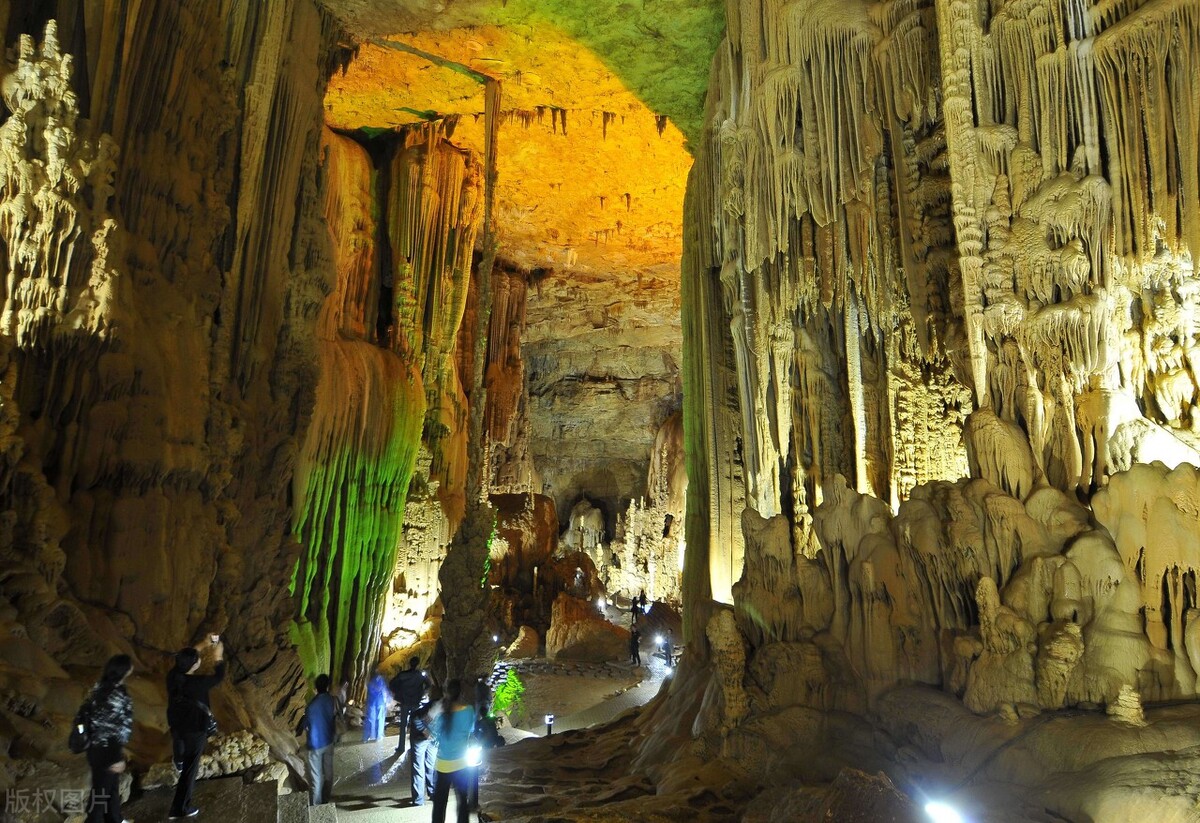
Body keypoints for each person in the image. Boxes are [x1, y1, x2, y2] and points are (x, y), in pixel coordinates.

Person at [167, 637, 225, 819]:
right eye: (197, 659)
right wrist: (218, 656)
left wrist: (204, 643)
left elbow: (187, 657)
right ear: (194, 665)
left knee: (183, 757)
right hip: (195, 730)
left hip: (178, 727)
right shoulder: (197, 684)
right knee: (190, 771)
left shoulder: (173, 676)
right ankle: (179, 809)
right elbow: (219, 676)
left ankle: (178, 759)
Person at [82, 655, 134, 823]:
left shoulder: (100, 688)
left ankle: (114, 818)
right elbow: (109, 729)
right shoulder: (113, 695)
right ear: (124, 670)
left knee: (110, 786)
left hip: (96, 748)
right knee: (99, 793)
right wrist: (116, 757)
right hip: (106, 750)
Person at [431, 679, 476, 823]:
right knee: (463, 801)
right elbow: (471, 729)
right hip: (461, 764)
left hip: (443, 764)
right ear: (460, 693)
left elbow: (434, 735)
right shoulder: (469, 711)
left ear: (446, 692)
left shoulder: (442, 714)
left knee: (439, 804)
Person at [296, 674, 338, 806]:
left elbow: (305, 725)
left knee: (316, 778)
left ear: (315, 687)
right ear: (327, 686)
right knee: (329, 773)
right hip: (329, 741)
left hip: (315, 745)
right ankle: (326, 799)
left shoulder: (310, 706)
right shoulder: (331, 700)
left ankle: (316, 806)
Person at [389, 656, 427, 754]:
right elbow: (429, 684)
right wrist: (421, 694)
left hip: (405, 702)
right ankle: (413, 746)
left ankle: (401, 747)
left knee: (403, 725)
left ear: (410, 663)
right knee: (414, 725)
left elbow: (392, 683)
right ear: (417, 664)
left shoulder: (402, 675)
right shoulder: (420, 676)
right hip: (415, 703)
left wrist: (398, 693)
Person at [408, 690, 437, 806]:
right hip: (419, 737)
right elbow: (415, 718)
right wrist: (425, 732)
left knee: (432, 764)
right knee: (418, 767)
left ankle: (433, 792)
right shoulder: (436, 708)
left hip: (433, 738)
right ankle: (418, 799)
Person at [363, 668, 391, 742]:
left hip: (371, 702)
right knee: (380, 719)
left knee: (370, 719)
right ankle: (378, 736)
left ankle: (367, 737)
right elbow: (384, 691)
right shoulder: (381, 680)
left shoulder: (370, 681)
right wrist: (388, 701)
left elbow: (369, 692)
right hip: (380, 703)